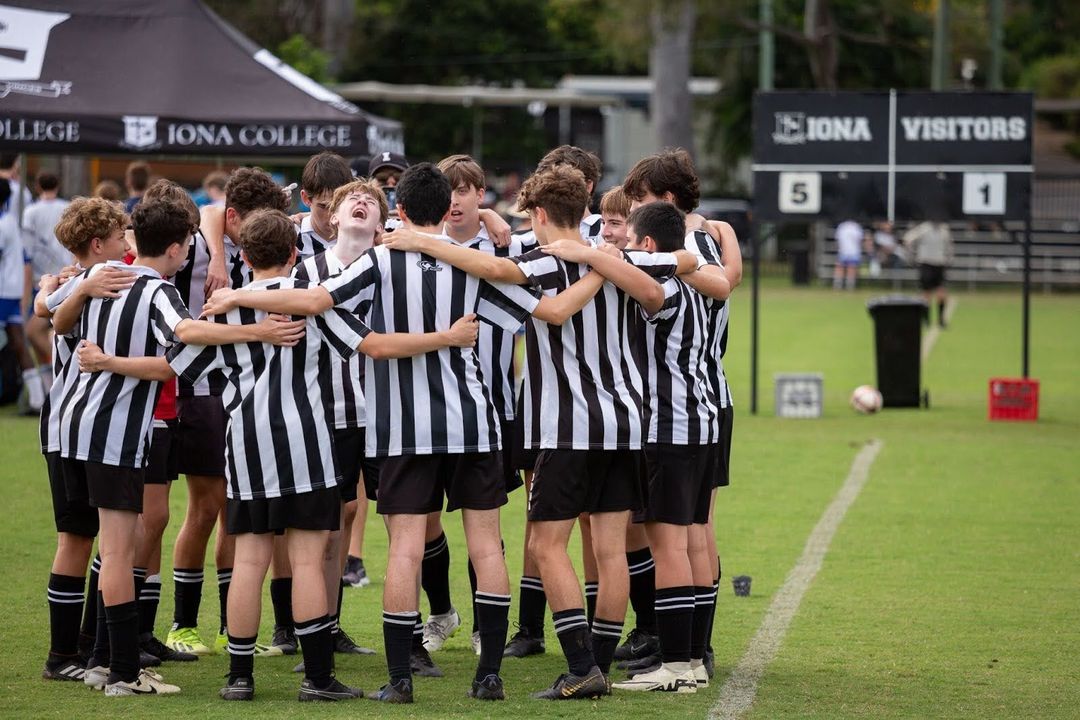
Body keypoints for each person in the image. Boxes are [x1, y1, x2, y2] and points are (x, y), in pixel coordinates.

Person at [202, 162, 604, 704]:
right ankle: (488, 677)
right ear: (446, 210)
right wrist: (604, 266)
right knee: (488, 547)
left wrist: (239, 297)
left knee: (404, 549)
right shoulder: (476, 265)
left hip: (400, 431)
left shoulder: (378, 260)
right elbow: (548, 311)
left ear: (402, 211)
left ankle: (400, 680)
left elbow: (316, 301)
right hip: (473, 424)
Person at [380, 165, 699, 699]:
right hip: (625, 422)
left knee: (549, 545)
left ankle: (580, 666)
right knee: (612, 547)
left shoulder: (545, 264)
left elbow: (491, 269)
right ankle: (596, 663)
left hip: (566, 424)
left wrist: (418, 241)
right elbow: (670, 279)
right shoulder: (621, 258)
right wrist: (604, 260)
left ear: (541, 215)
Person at [46, 198, 302, 696]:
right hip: (112, 432)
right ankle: (123, 673)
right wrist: (259, 330)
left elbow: (55, 319)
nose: (191, 252)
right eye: (189, 244)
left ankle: (99, 660)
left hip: (69, 429)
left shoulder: (100, 277)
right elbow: (183, 336)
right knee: (119, 552)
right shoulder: (155, 288)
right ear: (176, 247)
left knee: (102, 546)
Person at [622, 147, 742, 680]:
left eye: (638, 206)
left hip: (671, 414)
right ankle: (695, 651)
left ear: (664, 205)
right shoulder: (710, 246)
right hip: (709, 402)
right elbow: (725, 280)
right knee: (697, 531)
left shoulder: (673, 262)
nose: (627, 222)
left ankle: (680, 660)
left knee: (673, 537)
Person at [165, 167, 289, 657]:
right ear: (233, 217)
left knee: (239, 514)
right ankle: (182, 624)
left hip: (251, 395)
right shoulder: (199, 244)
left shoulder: (266, 242)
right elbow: (210, 212)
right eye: (248, 224)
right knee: (206, 508)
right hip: (201, 390)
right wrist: (217, 249)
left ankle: (228, 630)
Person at [33, 196, 130, 682]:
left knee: (95, 538)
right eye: (119, 236)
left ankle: (90, 647)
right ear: (98, 243)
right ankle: (61, 655)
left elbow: (41, 302)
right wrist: (80, 284)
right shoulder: (82, 282)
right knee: (78, 537)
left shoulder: (76, 278)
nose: (126, 244)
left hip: (80, 425)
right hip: (74, 424)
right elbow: (49, 315)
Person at [297, 152, 352, 259]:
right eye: (324, 207)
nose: (332, 217)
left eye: (338, 206)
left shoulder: (366, 234)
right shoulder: (287, 238)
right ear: (305, 198)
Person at [903, 220, 953, 328]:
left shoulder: (944, 230)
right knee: (926, 294)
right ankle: (926, 320)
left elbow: (949, 247)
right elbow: (908, 239)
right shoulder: (923, 228)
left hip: (939, 264)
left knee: (941, 293)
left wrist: (949, 259)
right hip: (926, 264)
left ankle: (941, 320)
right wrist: (911, 257)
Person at [833, 219, 864, 290]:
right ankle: (846, 286)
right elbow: (860, 239)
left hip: (847, 251)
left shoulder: (842, 226)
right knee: (848, 268)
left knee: (847, 268)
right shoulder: (856, 227)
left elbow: (837, 239)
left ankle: (842, 286)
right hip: (851, 251)